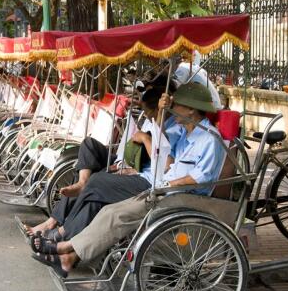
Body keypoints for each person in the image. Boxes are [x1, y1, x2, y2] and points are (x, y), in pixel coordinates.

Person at [30, 83, 227, 277]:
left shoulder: (210, 140)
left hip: (178, 197)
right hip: (161, 189)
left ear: (191, 110)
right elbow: (164, 156)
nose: (172, 110)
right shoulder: (185, 133)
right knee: (108, 210)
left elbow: (201, 178)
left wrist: (168, 184)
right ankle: (69, 257)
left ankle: (65, 244)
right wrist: (160, 113)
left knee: (113, 211)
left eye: (176, 105)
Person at [24, 86, 175, 239]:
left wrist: (143, 144)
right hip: (129, 161)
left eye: (148, 111)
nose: (146, 115)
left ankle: (59, 228)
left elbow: (163, 165)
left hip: (146, 175)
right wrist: (124, 161)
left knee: (96, 180)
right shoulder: (151, 122)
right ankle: (81, 185)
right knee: (89, 145)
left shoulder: (174, 130)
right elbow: (135, 149)